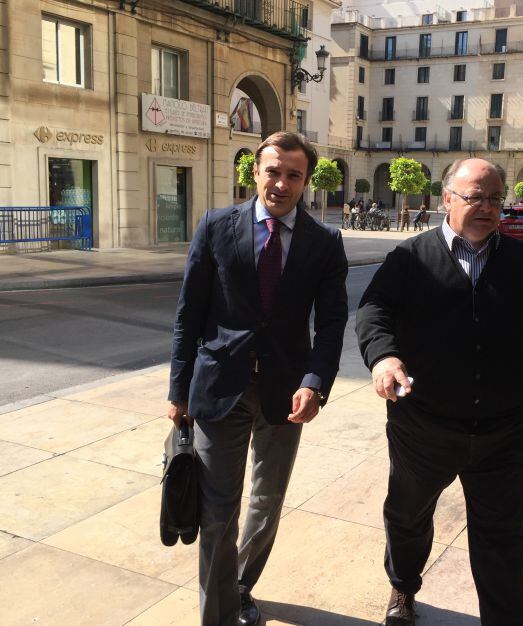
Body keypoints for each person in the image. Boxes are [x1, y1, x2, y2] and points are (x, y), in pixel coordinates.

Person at [356, 158, 523, 626]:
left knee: (503, 533)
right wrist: (384, 357)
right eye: (474, 197)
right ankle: (403, 588)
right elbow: (374, 311)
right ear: (446, 199)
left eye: (494, 198)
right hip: (423, 427)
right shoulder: (409, 258)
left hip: (505, 431)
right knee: (407, 516)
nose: (486, 207)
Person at [167, 131, 348, 626]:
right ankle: (218, 617)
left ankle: (241, 586)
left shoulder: (324, 243)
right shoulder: (215, 226)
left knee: (267, 501)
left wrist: (315, 382)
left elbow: (331, 323)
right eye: (273, 171)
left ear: (306, 180)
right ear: (254, 172)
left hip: (287, 393)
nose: (282, 183)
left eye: (294, 174)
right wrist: (177, 390)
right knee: (216, 513)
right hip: (219, 387)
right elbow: (190, 313)